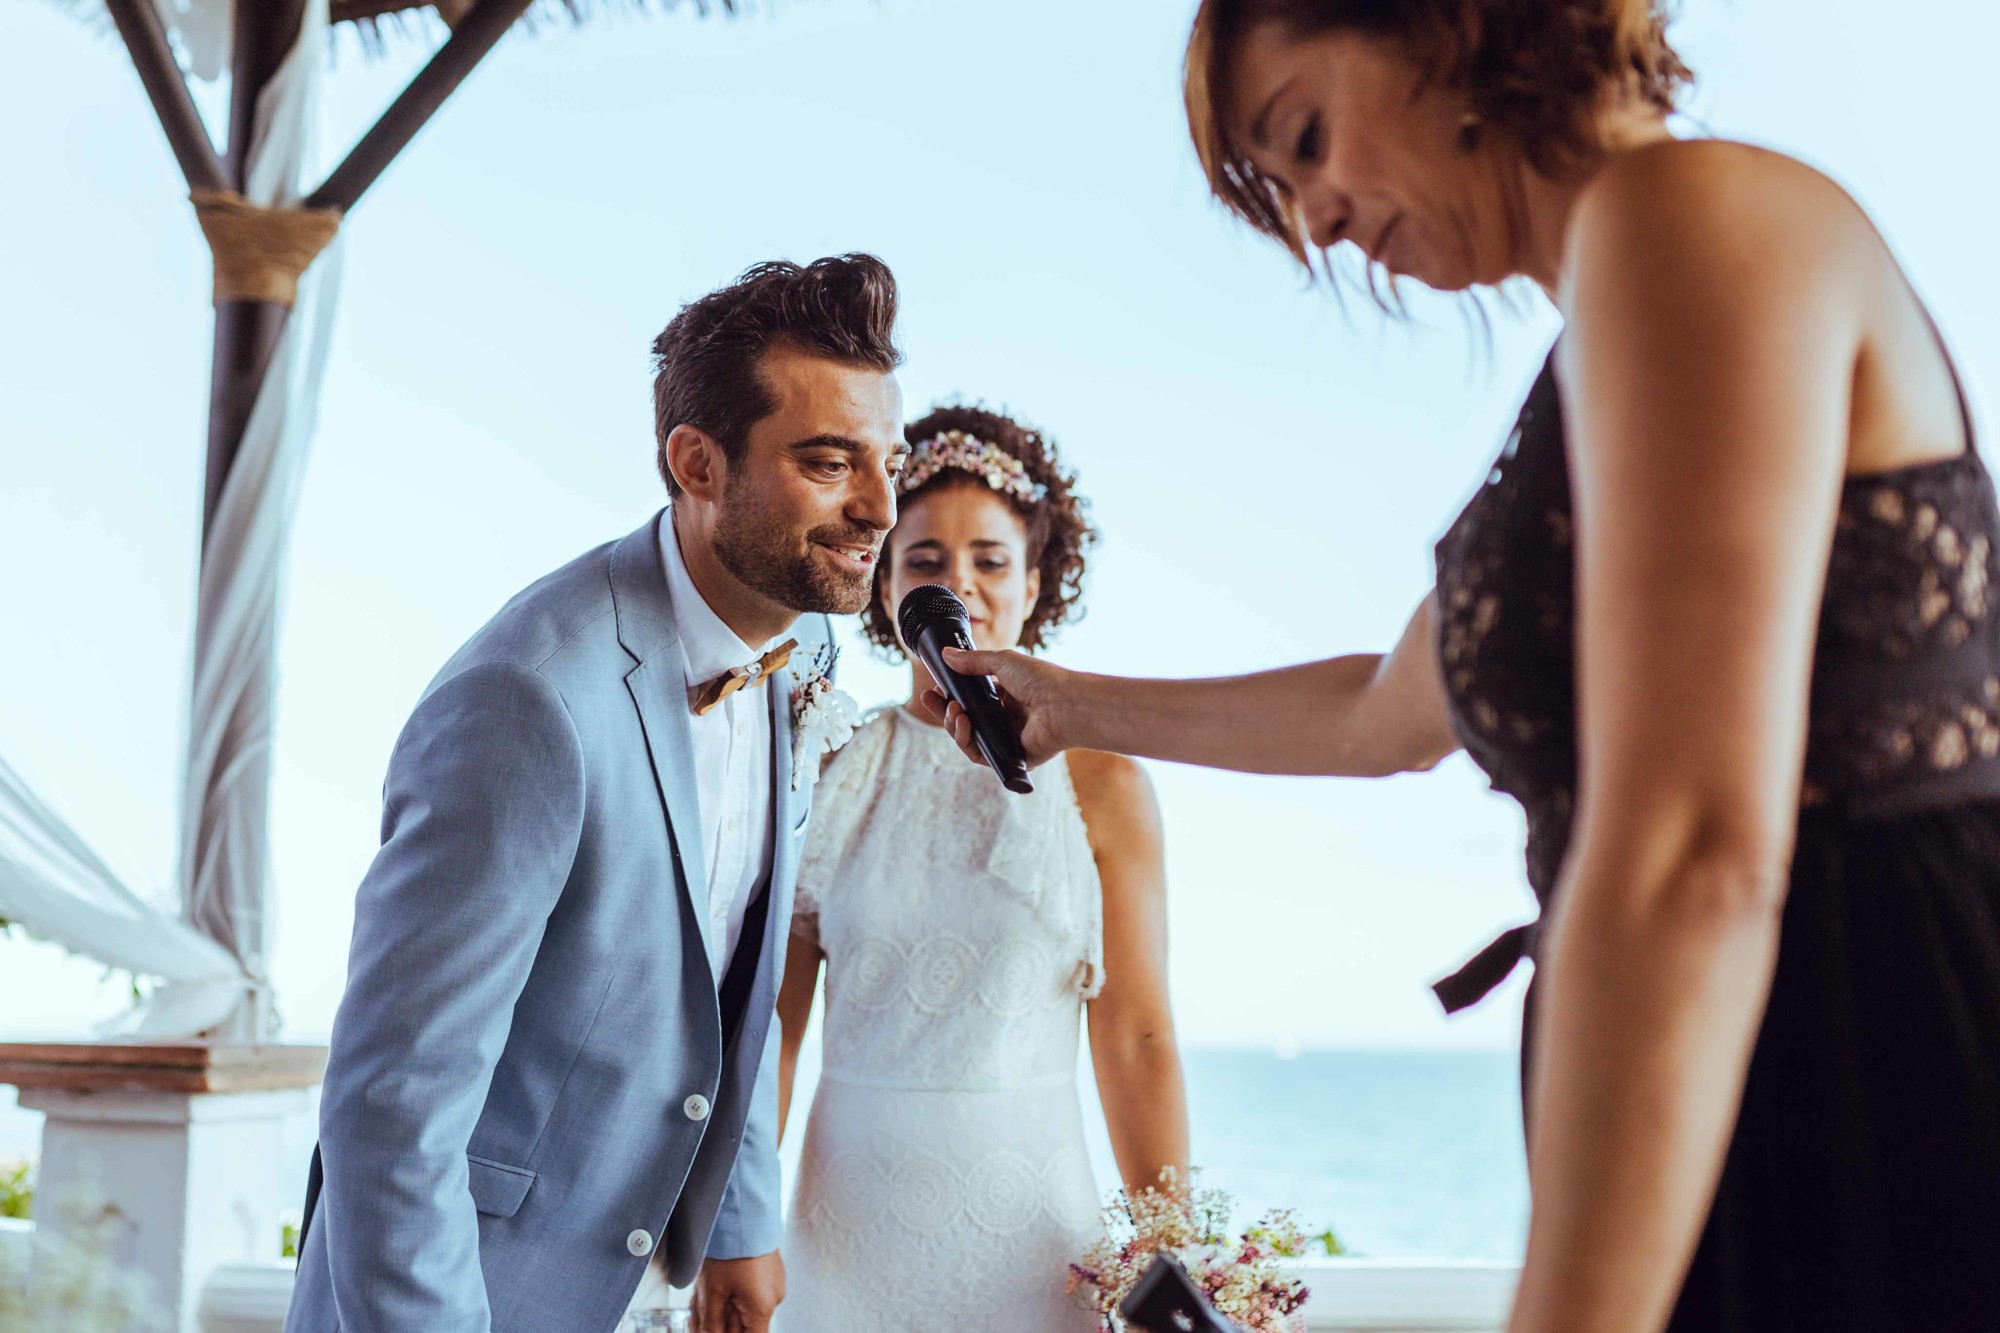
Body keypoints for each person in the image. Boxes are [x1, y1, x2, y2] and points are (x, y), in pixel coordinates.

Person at [925, 4, 2000, 1330]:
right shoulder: (1608, 330)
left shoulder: (1686, 219)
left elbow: (1691, 855)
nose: (1315, 220)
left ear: (1452, 26)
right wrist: (1062, 704)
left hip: (1857, 1072)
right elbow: (1385, 714)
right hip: (1743, 1077)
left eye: (1307, 139)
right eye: (1282, 187)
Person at [284, 254, 906, 1333]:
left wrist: (737, 1222)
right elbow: (392, 1102)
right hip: (472, 1291)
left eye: (886, 461)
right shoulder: (528, 699)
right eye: (827, 463)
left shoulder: (800, 647)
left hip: (651, 1283)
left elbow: (731, 976)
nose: (879, 508)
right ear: (696, 463)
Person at [772, 405, 1189, 1332]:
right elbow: (776, 1030)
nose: (957, 583)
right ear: (885, 583)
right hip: (845, 1244)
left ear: (1034, 582)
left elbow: (1138, 1037)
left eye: (990, 561)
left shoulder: (1106, 778)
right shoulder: (832, 763)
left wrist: (1177, 1250)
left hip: (1037, 1252)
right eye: (924, 561)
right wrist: (739, 1228)